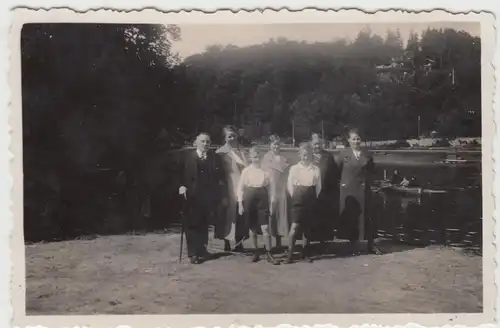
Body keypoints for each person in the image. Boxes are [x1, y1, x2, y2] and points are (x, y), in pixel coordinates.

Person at [178, 133, 226, 264]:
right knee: (192, 224)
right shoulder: (188, 158)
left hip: (207, 196)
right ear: (196, 143)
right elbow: (178, 174)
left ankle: (202, 249)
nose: (205, 144)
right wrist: (181, 186)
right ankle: (193, 253)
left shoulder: (214, 158)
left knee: (204, 224)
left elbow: (220, 177)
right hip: (191, 196)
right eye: (203, 141)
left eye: (208, 142)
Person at [335, 128, 382, 255]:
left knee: (367, 216)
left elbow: (372, 172)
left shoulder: (367, 154)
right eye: (354, 139)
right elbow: (336, 171)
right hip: (349, 191)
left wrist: (370, 184)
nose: (356, 141)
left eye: (358, 139)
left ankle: (371, 245)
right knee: (351, 217)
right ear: (349, 140)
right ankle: (352, 245)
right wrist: (343, 183)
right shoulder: (343, 154)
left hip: (363, 190)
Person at [237, 147, 280, 265]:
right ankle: (255, 251)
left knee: (265, 228)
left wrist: (272, 204)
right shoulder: (246, 171)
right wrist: (240, 204)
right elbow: (240, 188)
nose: (257, 159)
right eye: (254, 157)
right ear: (250, 158)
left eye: (259, 156)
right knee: (252, 228)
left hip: (262, 197)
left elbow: (272, 190)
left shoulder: (267, 171)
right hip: (250, 198)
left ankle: (269, 253)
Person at [285, 142, 322, 264]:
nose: (306, 157)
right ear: (300, 155)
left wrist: (311, 197)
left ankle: (305, 253)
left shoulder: (316, 169)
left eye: (308, 154)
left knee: (307, 228)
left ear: (311, 155)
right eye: (304, 154)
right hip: (298, 198)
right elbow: (290, 185)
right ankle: (290, 253)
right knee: (295, 226)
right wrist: (296, 197)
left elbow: (318, 187)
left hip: (310, 198)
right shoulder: (294, 168)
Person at [215, 125, 248, 252]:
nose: (232, 138)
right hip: (228, 187)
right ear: (224, 137)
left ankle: (239, 242)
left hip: (243, 186)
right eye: (229, 136)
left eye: (234, 135)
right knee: (228, 215)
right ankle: (227, 242)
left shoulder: (243, 150)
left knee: (241, 214)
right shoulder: (220, 152)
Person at [310, 134, 339, 253]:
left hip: (326, 192)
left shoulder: (328, 156)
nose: (317, 146)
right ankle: (311, 243)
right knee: (312, 217)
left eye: (318, 144)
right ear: (311, 145)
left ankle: (324, 243)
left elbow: (334, 174)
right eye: (315, 144)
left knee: (325, 217)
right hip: (311, 191)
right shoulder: (308, 156)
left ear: (322, 145)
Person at [261, 134, 290, 250]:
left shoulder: (284, 158)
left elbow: (287, 173)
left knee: (280, 214)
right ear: (269, 145)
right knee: (270, 214)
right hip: (270, 189)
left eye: (278, 144)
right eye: (274, 144)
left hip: (281, 189)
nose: (276, 146)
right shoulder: (266, 158)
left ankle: (279, 242)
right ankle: (268, 244)